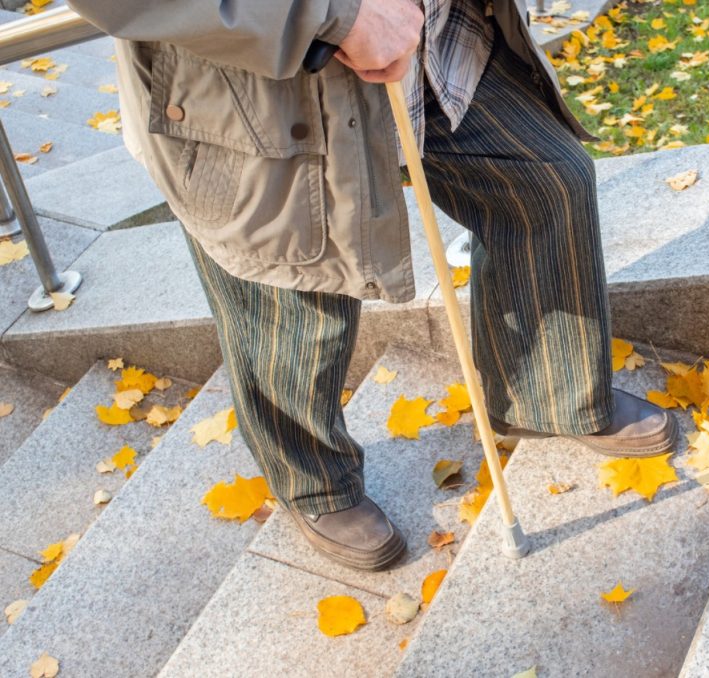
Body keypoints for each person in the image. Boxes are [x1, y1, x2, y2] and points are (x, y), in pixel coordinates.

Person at [67, 0, 677, 571]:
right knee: (289, 294)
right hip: (259, 93)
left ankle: (544, 394)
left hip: (437, 40)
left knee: (547, 183)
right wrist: (333, 14)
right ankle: (312, 481)